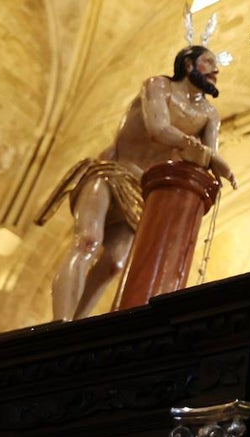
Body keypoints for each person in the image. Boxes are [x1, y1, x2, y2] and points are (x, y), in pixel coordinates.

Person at [36, 45, 238, 321]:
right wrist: (190, 145)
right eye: (208, 62)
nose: (215, 70)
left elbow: (208, 155)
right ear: (189, 64)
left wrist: (220, 166)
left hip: (139, 191)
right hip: (112, 172)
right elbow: (158, 128)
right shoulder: (158, 86)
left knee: (114, 263)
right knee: (87, 241)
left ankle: (76, 325)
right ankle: (60, 321)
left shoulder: (209, 115)